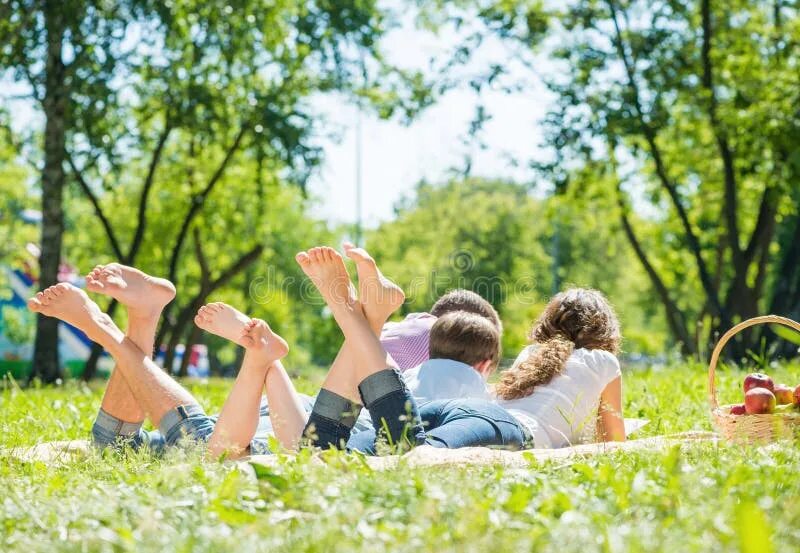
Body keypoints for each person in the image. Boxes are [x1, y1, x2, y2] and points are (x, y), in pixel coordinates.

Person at [292, 247, 624, 454]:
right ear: (604, 332)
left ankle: (365, 316)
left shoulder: (531, 356)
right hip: (501, 425)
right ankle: (358, 316)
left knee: (323, 451)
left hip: (454, 410)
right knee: (413, 453)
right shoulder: (604, 361)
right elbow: (612, 443)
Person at [26, 264, 291, 459]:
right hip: (277, 422)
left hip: (270, 416)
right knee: (207, 450)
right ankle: (105, 331)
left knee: (111, 447)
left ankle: (142, 315)